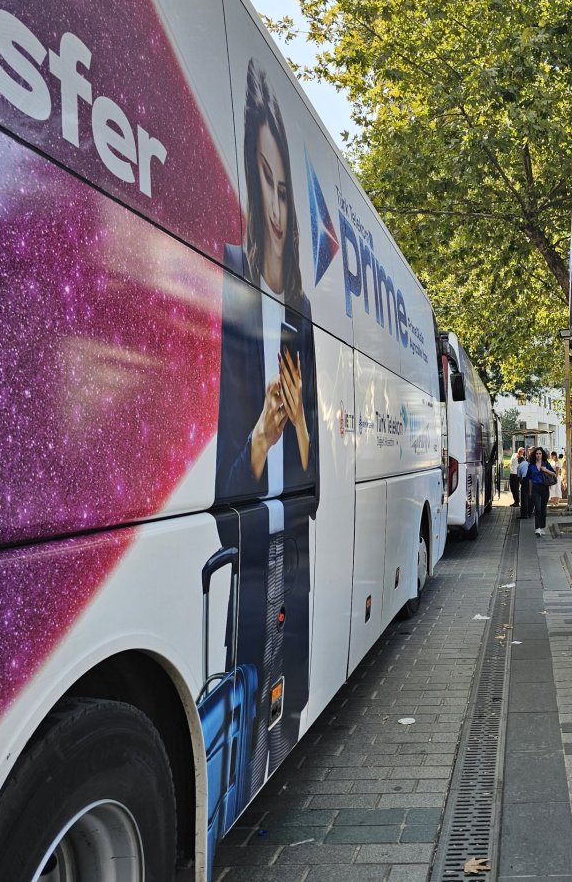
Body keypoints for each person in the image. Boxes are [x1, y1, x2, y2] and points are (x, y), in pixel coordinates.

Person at [215, 58, 318, 803]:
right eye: (266, 183)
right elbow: (228, 484)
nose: (278, 207)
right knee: (248, 722)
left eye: (287, 189)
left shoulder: (304, 313)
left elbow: (313, 475)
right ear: (252, 187)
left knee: (292, 702)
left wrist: (300, 423)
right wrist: (261, 431)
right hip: (254, 551)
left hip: (297, 549)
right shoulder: (226, 282)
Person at [527, 447, 556, 536]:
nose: (538, 455)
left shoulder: (546, 463)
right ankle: (537, 528)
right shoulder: (531, 465)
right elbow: (529, 479)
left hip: (544, 488)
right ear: (534, 455)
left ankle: (542, 526)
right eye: (537, 454)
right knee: (538, 508)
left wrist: (546, 470)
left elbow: (554, 474)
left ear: (542, 454)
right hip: (535, 488)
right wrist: (530, 491)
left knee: (543, 508)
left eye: (540, 454)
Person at [518, 448, 533, 519]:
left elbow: (519, 477)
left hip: (525, 480)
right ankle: (530, 513)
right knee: (530, 497)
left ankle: (524, 515)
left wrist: (521, 483)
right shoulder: (528, 463)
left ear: (519, 462)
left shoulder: (519, 466)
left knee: (524, 499)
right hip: (531, 480)